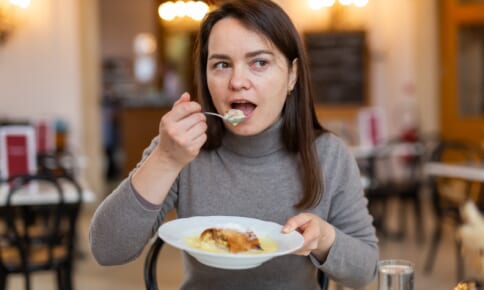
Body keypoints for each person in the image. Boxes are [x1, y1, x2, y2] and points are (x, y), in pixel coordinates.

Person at [89, 0, 379, 289]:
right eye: (222, 64)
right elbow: (107, 249)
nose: (238, 81)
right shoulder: (180, 148)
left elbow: (365, 270)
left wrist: (325, 239)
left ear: (292, 75)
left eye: (260, 62)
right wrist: (165, 159)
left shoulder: (329, 155)